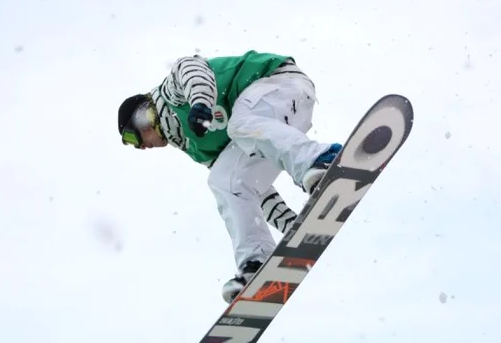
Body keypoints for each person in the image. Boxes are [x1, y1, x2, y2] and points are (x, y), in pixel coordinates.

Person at [117, 50, 342, 303]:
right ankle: (257, 262)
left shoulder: (170, 93)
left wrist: (200, 103)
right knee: (225, 180)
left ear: (143, 117)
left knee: (240, 123)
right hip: (273, 121)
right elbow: (252, 188)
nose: (140, 147)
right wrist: (293, 227)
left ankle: (321, 158)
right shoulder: (198, 148)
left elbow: (193, 71)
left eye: (132, 138)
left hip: (281, 85)